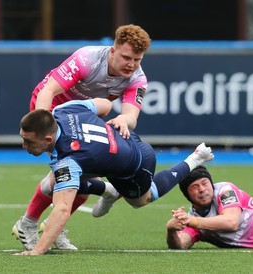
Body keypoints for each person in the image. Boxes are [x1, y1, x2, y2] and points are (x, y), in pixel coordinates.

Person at [12, 24, 152, 251]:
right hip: (53, 110)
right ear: (113, 50)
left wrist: (124, 121)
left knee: (80, 178)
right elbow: (49, 90)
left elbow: (131, 116)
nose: (132, 65)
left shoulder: (137, 78)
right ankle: (29, 223)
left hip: (84, 115)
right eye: (127, 57)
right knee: (67, 174)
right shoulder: (87, 58)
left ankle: (47, 225)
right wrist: (44, 124)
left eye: (137, 59)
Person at [14, 98, 214, 255]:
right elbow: (105, 104)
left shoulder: (67, 161)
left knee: (143, 199)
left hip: (137, 165)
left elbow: (62, 209)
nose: (24, 146)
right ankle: (108, 191)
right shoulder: (63, 110)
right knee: (59, 182)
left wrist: (37, 251)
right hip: (122, 136)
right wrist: (115, 122)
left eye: (28, 142)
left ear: (48, 139)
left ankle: (195, 158)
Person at [166, 166, 253, 249]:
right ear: (187, 195)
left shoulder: (224, 190)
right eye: (195, 187)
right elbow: (181, 245)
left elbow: (231, 222)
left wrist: (191, 221)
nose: (202, 189)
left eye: (205, 183)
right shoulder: (194, 219)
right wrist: (172, 230)